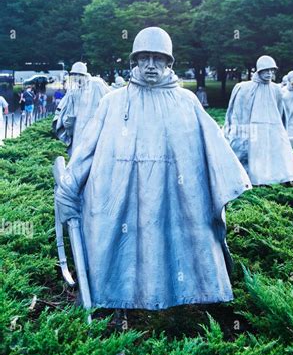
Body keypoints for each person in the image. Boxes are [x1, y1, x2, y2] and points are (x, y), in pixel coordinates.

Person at [54, 26, 251, 315]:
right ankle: (121, 301)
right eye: (144, 58)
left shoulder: (186, 103)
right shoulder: (113, 102)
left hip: (176, 198)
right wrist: (69, 186)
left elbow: (214, 149)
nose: (150, 65)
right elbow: (86, 150)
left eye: (157, 58)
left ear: (169, 63)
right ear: (134, 62)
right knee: (128, 247)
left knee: (176, 244)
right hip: (123, 199)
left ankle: (185, 303)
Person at [224, 55, 293, 186]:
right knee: (253, 156)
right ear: (259, 71)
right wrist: (240, 131)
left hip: (272, 126)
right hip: (253, 128)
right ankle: (252, 179)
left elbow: (280, 111)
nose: (269, 73)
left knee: (276, 153)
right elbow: (238, 113)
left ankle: (279, 178)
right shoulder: (245, 88)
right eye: (266, 70)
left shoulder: (276, 89)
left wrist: (280, 129)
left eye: (272, 71)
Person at [52, 61, 110, 155]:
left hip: (93, 126)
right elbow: (66, 104)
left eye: (77, 75)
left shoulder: (96, 84)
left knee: (92, 154)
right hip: (77, 127)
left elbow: (109, 100)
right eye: (73, 75)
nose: (75, 78)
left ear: (83, 74)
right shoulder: (74, 88)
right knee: (76, 153)